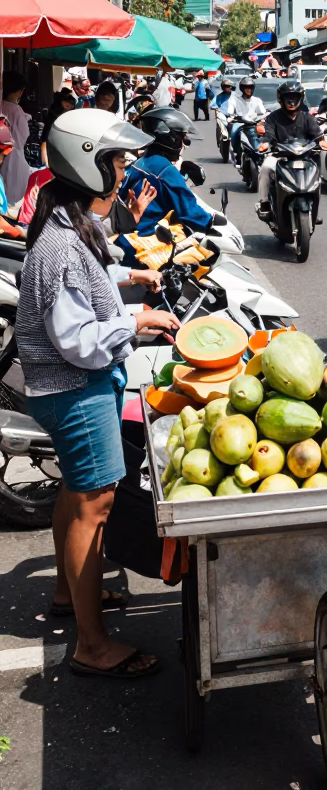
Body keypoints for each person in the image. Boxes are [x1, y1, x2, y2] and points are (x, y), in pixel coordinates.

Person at [16, 109, 179, 678]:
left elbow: (92, 293)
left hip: (75, 385)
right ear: (86, 163)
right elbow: (76, 339)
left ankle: (67, 594)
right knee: (94, 503)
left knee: (75, 493)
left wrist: (133, 304)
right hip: (74, 386)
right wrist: (134, 325)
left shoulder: (70, 223)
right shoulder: (61, 246)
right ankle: (92, 644)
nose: (121, 173)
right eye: (114, 162)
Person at [121, 107, 213, 236]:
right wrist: (211, 223)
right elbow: (190, 212)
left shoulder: (141, 162)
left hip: (129, 232)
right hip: (149, 238)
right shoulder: (165, 170)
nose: (183, 144)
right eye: (181, 137)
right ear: (169, 138)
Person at [256, 79, 327, 218]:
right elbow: (269, 134)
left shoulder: (306, 116)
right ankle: (264, 203)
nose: (291, 101)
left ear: (300, 99)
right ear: (281, 99)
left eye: (295, 98)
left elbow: (316, 133)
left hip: (304, 157)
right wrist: (265, 143)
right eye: (288, 98)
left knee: (316, 176)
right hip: (279, 156)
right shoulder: (273, 117)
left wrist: (322, 141)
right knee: (265, 167)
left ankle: (314, 209)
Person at [0, 69, 33, 205]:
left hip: (5, 155)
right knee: (9, 201)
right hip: (13, 158)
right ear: (20, 91)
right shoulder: (16, 110)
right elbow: (22, 136)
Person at [226, 77, 267, 165]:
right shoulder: (235, 99)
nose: (248, 90)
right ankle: (237, 152)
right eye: (246, 88)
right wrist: (233, 116)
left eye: (250, 88)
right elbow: (230, 111)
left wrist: (264, 117)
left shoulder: (257, 100)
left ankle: (261, 154)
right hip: (240, 123)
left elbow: (263, 112)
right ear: (242, 89)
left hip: (254, 124)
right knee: (233, 132)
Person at [41, 89, 77, 163]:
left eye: (71, 106)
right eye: (67, 105)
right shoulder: (53, 117)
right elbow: (45, 140)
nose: (69, 108)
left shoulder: (71, 118)